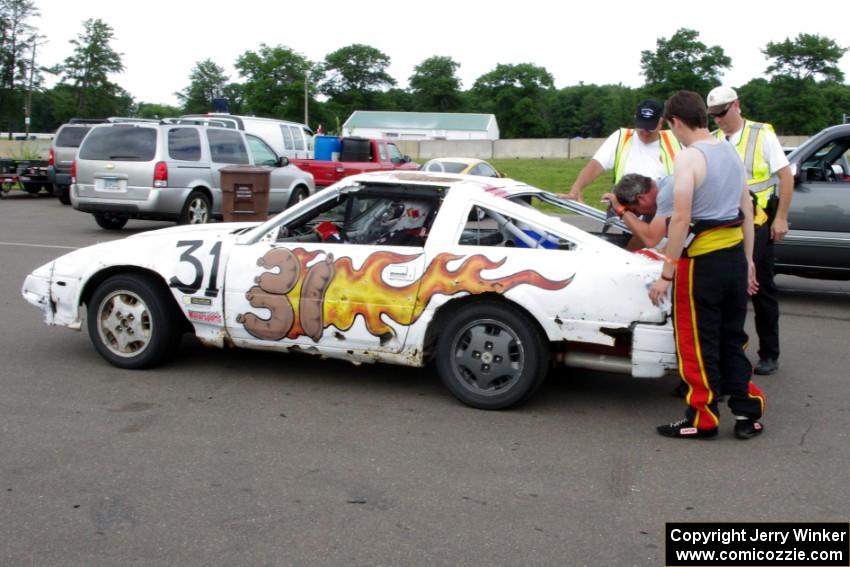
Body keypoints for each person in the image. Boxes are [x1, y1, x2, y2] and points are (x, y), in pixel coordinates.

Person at [650, 90, 765, 441]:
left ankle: (702, 418)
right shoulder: (729, 150)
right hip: (733, 259)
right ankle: (748, 414)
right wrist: (748, 261)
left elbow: (681, 218)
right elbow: (746, 208)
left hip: (701, 265)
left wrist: (667, 272)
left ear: (675, 122)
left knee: (696, 344)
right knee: (732, 339)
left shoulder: (689, 158)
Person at [706, 86, 793, 376]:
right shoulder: (714, 140)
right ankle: (729, 352)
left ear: (736, 106)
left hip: (759, 220)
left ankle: (768, 353)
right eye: (713, 116)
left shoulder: (760, 134)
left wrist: (781, 218)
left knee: (758, 286)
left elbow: (785, 175)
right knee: (730, 287)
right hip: (727, 222)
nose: (718, 120)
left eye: (721, 113)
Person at [566, 100, 680, 203]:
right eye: (642, 126)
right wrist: (577, 188)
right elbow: (597, 164)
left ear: (660, 122)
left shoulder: (675, 140)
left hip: (661, 212)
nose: (645, 132)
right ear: (635, 119)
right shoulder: (621, 137)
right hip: (624, 213)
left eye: (650, 128)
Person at [603, 174, 674, 249]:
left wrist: (621, 210)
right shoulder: (653, 203)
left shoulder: (668, 191)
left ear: (640, 198)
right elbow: (641, 239)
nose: (639, 216)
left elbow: (651, 240)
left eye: (635, 211)